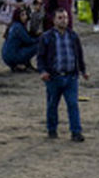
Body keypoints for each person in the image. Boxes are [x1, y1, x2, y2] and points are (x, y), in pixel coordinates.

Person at [37, 8, 88, 142]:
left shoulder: (73, 36)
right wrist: (43, 71)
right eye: (60, 18)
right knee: (52, 105)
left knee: (73, 104)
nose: (63, 20)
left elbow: (79, 55)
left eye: (65, 18)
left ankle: (76, 132)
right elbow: (40, 57)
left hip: (71, 76)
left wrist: (83, 70)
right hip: (53, 77)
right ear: (54, 20)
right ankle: (52, 129)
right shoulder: (46, 37)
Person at [2, 6, 39, 71]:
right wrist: (40, 38)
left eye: (25, 14)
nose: (25, 17)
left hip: (6, 56)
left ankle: (20, 65)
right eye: (22, 15)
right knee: (38, 45)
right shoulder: (18, 27)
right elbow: (29, 41)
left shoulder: (12, 25)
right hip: (13, 56)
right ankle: (24, 65)